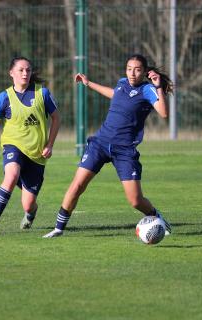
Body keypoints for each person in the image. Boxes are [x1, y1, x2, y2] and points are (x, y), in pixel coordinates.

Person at [43, 54, 172, 238]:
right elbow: (114, 94)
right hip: (100, 143)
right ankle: (58, 228)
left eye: (137, 69)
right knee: (77, 185)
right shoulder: (121, 83)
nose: (132, 73)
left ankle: (155, 216)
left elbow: (164, 113)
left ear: (144, 72)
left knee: (135, 201)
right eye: (129, 68)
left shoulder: (148, 90)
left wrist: (158, 86)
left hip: (125, 150)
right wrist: (89, 83)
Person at [0, 56, 60, 237]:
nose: (25, 73)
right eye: (21, 70)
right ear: (11, 73)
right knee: (12, 175)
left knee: (28, 204)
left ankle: (30, 213)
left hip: (37, 154)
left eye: (28, 70)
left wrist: (50, 144)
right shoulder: (3, 98)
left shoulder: (42, 94)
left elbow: (56, 118)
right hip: (12, 146)